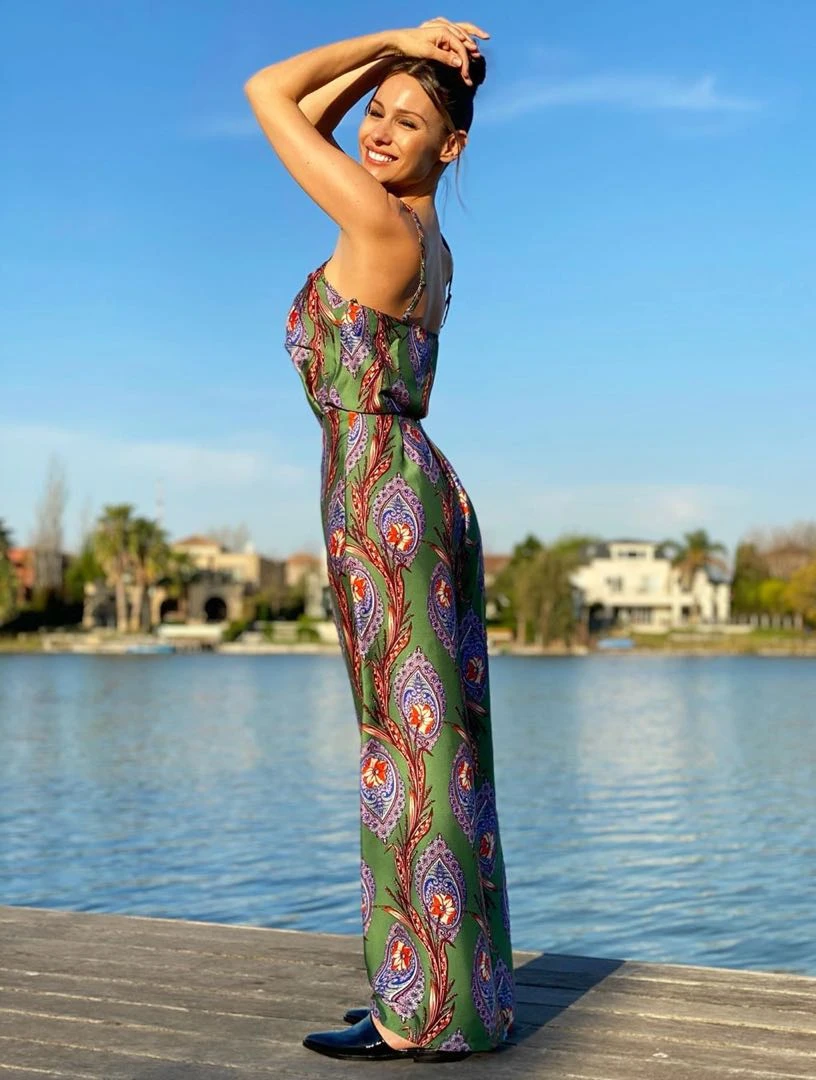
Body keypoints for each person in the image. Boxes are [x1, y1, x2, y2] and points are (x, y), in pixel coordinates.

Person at [245, 16, 514, 1063]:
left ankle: (416, 1015)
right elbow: (313, 121)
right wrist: (390, 69)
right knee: (437, 746)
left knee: (404, 749)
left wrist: (395, 35)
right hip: (411, 482)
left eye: (410, 121)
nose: (379, 131)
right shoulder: (427, 240)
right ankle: (459, 1001)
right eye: (376, 114)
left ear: (454, 145)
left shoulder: (377, 221)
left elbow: (271, 95)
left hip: (380, 493)